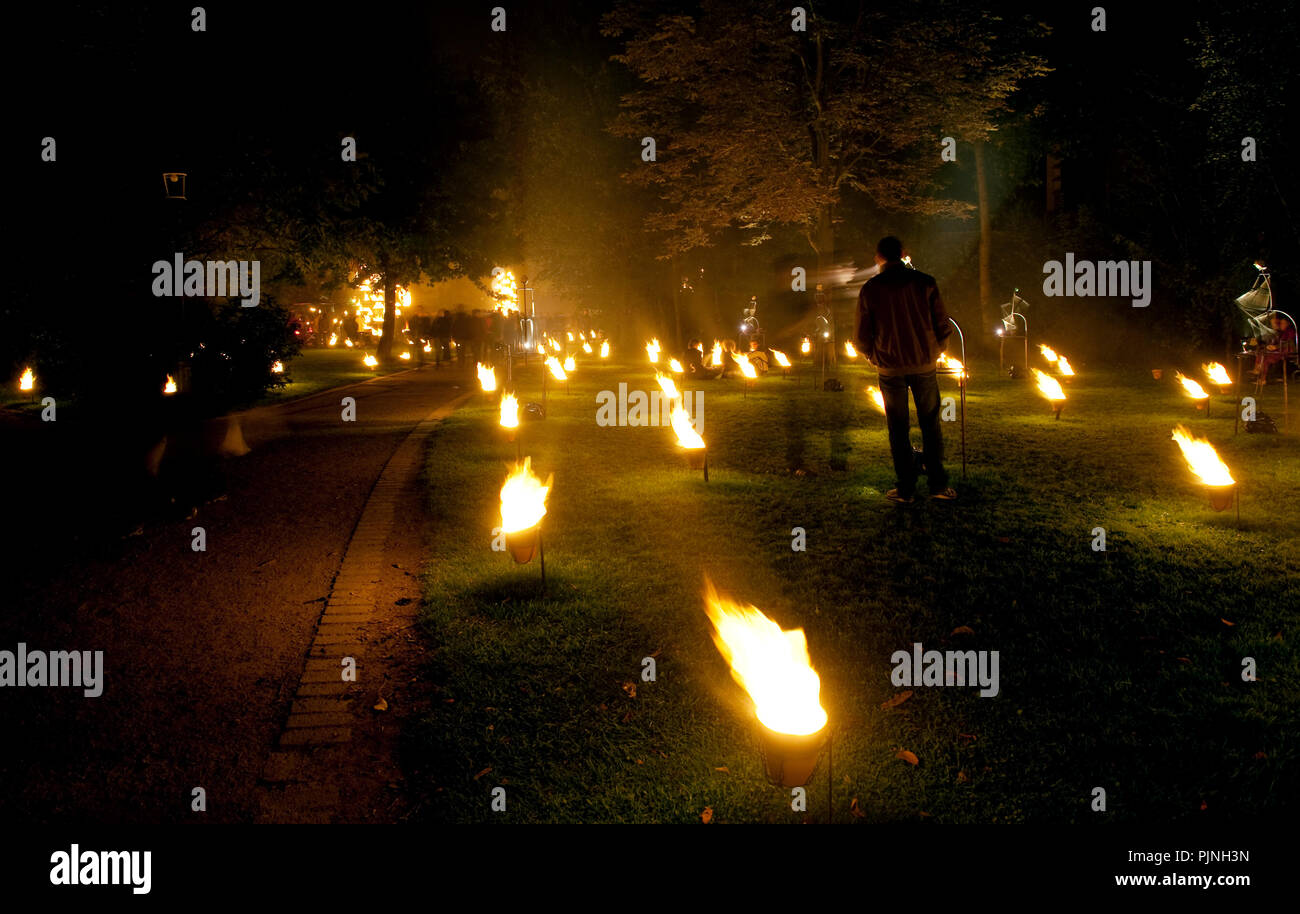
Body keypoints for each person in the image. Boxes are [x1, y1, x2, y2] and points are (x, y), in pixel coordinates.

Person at [856, 236, 956, 503]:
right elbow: (943, 325)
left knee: (897, 427)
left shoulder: (871, 288)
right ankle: (937, 484)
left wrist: (872, 355)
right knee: (930, 423)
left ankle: (906, 488)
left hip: (890, 368)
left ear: (878, 257)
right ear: (903, 253)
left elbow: (863, 333)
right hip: (923, 364)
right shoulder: (925, 283)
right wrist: (936, 351)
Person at [1253, 313, 1297, 383]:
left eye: (1283, 323)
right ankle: (1258, 371)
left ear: (1287, 324)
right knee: (1262, 354)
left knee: (1266, 358)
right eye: (1281, 323)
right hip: (1280, 350)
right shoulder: (1281, 333)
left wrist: (1276, 347)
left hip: (1287, 350)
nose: (1281, 325)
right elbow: (1276, 342)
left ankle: (1262, 377)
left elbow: (1288, 343)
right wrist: (1271, 346)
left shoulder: (1290, 331)